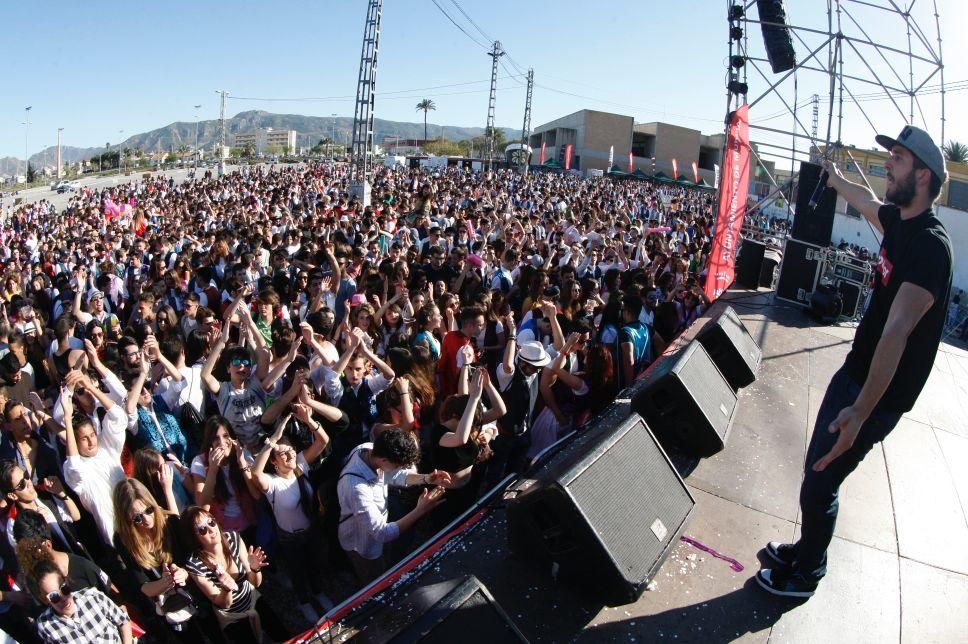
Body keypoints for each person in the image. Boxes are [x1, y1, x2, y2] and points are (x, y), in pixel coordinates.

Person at [757, 126, 953, 598]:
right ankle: (807, 551)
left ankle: (807, 574)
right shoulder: (902, 222)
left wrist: (861, 411)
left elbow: (897, 331)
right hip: (856, 374)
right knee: (817, 474)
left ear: (923, 176)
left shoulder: (931, 247)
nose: (888, 163)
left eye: (899, 159)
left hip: (876, 394)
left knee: (821, 478)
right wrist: (837, 180)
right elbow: (866, 202)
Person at [337, 427, 451, 584]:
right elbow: (382, 533)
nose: (399, 469)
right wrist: (421, 510)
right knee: (374, 579)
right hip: (362, 545)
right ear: (384, 460)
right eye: (398, 465)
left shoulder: (367, 449)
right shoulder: (356, 488)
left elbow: (395, 475)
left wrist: (427, 478)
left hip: (374, 535)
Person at [182, 506, 289, 643]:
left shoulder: (233, 538)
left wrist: (254, 569)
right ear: (193, 537)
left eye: (211, 522)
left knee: (285, 637)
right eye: (202, 529)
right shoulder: (195, 564)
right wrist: (226, 589)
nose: (210, 529)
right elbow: (223, 603)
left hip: (252, 599)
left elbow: (255, 583)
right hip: (231, 616)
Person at [31, 559, 133, 644]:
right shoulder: (46, 626)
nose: (63, 598)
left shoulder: (92, 596)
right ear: (45, 599)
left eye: (64, 588)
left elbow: (123, 620)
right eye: (54, 596)